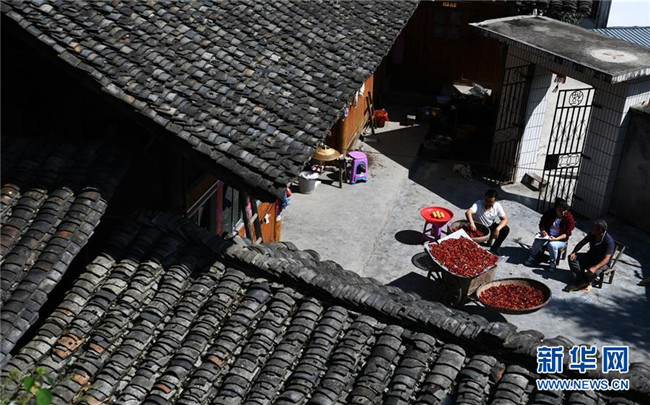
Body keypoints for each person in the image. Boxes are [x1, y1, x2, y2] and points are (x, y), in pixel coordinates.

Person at [524, 198, 575, 271]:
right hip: (548, 235)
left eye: (564, 210)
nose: (562, 212)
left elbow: (567, 233)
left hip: (560, 239)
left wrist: (556, 239)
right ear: (556, 209)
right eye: (560, 210)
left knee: (552, 245)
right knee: (538, 241)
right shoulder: (549, 213)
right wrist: (543, 231)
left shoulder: (569, 218)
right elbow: (542, 224)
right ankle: (532, 256)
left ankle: (553, 262)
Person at [567, 219, 615, 291]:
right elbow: (582, 243)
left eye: (594, 227)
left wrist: (595, 267)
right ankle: (581, 279)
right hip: (591, 256)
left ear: (600, 230)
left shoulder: (609, 241)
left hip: (602, 262)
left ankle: (585, 281)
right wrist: (574, 252)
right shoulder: (592, 234)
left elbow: (607, 258)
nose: (591, 228)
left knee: (595, 272)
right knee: (572, 258)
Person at [466, 189, 509, 255]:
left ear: (495, 201)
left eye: (491, 202)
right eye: (486, 201)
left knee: (505, 229)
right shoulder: (478, 204)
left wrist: (497, 229)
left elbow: (505, 219)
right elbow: (468, 212)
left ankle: (494, 249)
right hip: (478, 228)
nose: (488, 203)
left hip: (490, 226)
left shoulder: (497, 205)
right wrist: (472, 223)